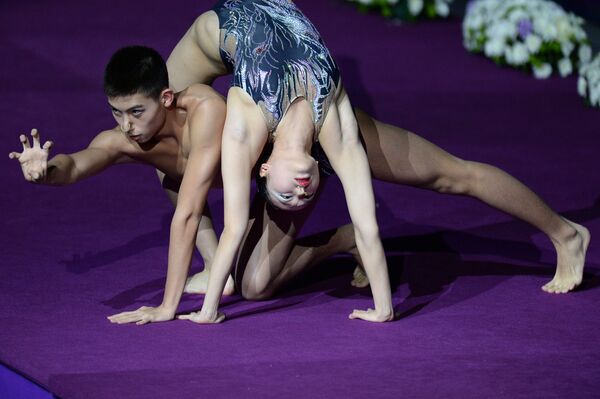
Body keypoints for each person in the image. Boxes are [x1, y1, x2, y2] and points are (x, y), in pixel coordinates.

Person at [160, 0, 589, 325]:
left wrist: (203, 308)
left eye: (287, 194)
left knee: (452, 176)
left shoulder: (244, 115)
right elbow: (365, 221)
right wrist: (384, 308)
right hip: (308, 107)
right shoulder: (337, 130)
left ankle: (566, 234)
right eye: (298, 197)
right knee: (252, 283)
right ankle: (325, 245)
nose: (302, 191)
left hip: (248, 40)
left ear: (265, 167)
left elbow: (240, 221)